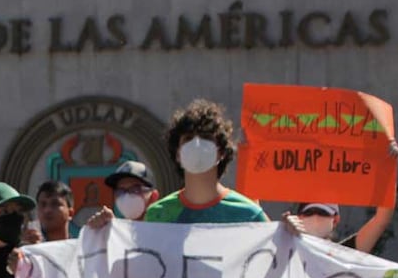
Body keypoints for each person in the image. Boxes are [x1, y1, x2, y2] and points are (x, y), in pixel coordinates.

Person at [88, 98, 269, 228]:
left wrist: (291, 232)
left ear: (220, 152)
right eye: (188, 138)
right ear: (177, 154)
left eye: (206, 138)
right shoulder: (158, 215)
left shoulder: (249, 215)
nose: (196, 144)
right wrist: (102, 236)